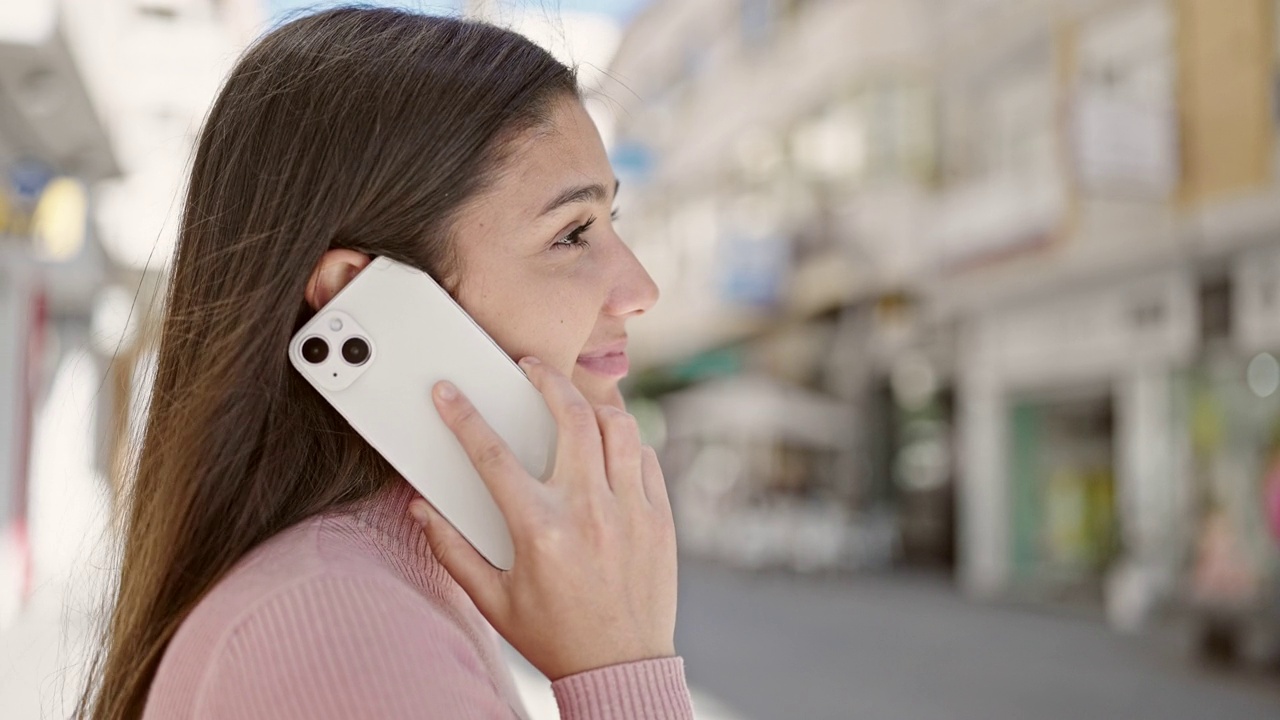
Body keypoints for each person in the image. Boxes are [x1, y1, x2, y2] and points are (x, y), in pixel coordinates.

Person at [77, 8, 691, 719]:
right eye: (571, 234)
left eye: (614, 222)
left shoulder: (381, 583)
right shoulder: (334, 627)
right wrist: (622, 668)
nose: (640, 289)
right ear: (351, 297)